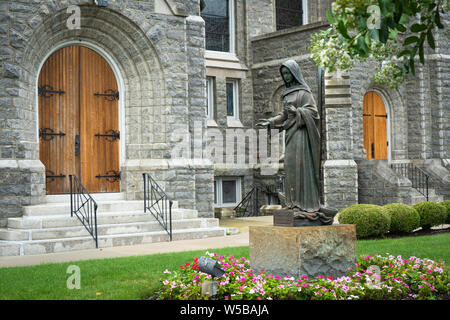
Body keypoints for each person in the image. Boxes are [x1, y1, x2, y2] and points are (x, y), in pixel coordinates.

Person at [257, 60, 325, 217]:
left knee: (301, 167)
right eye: (283, 74)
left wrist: (298, 111)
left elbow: (314, 113)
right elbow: (284, 115)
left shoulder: (304, 92)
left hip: (301, 135)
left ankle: (305, 205)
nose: (286, 76)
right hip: (290, 134)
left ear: (294, 73)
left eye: (288, 73)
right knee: (290, 167)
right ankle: (292, 204)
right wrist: (270, 121)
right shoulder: (286, 93)